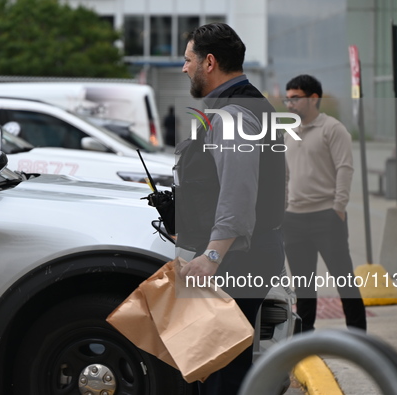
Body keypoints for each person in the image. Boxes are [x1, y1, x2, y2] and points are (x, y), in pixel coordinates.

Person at [175, 23, 286, 395]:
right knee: (222, 365)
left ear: (209, 62)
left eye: (188, 60)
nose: (184, 68)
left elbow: (238, 196)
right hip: (244, 254)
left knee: (222, 373)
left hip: (237, 259)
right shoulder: (239, 106)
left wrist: (210, 256)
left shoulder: (235, 114)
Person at [282, 74, 367, 333]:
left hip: (326, 217)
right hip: (294, 218)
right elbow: (286, 173)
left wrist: (338, 207)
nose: (289, 105)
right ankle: (305, 336)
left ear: (313, 98)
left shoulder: (333, 129)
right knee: (303, 284)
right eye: (287, 99)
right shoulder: (289, 132)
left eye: (295, 99)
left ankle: (358, 336)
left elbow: (345, 168)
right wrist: (284, 206)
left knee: (344, 280)